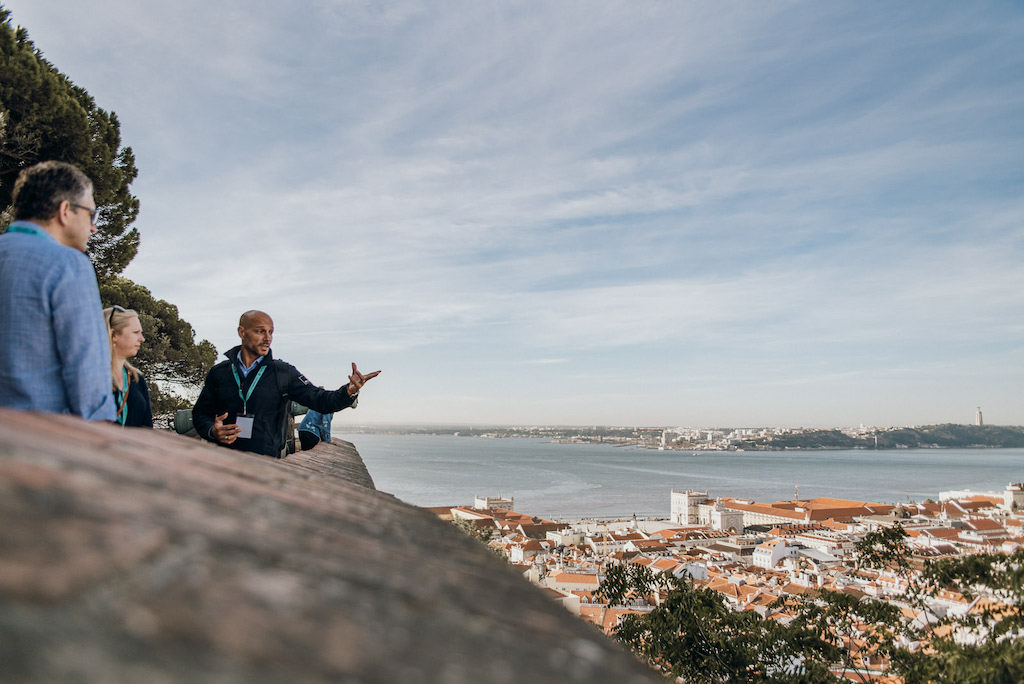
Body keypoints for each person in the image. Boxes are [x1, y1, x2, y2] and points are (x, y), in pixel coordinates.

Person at [0, 161, 115, 421]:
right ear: (65, 211)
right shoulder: (68, 263)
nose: (94, 227)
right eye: (91, 215)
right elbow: (86, 369)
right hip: (40, 437)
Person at [192, 310, 380, 458]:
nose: (268, 338)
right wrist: (211, 430)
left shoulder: (283, 373)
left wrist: (349, 391)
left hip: (264, 464)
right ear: (242, 332)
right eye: (260, 331)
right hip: (221, 460)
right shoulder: (220, 373)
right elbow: (200, 413)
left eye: (270, 332)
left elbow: (320, 400)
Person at [105, 306, 154, 427]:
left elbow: (147, 429)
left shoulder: (137, 379)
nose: (142, 339)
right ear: (114, 334)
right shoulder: (92, 378)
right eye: (136, 332)